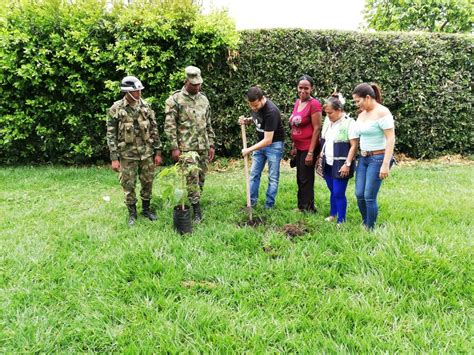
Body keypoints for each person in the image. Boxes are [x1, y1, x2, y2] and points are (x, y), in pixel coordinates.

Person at [106, 76, 162, 226]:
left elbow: (154, 129)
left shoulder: (146, 107)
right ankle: (132, 213)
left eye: (139, 90)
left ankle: (146, 209)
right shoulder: (116, 109)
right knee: (128, 184)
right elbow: (111, 134)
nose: (139, 93)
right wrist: (114, 157)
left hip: (146, 153)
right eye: (136, 90)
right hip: (126, 154)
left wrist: (157, 152)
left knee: (147, 182)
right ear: (127, 92)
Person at [164, 66, 215, 222]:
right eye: (194, 84)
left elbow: (208, 123)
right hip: (186, 148)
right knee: (191, 177)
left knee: (201, 176)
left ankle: (196, 199)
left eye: (199, 84)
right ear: (186, 81)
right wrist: (174, 147)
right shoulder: (174, 100)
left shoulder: (204, 99)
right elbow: (170, 126)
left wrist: (211, 144)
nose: (197, 87)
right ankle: (196, 209)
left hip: (203, 146)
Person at [352, 83, 395, 229]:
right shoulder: (361, 114)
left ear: (368, 97)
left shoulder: (383, 112)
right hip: (363, 158)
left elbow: (390, 139)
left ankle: (370, 228)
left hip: (378, 158)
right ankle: (366, 222)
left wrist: (385, 164)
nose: (357, 104)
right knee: (359, 194)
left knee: (369, 196)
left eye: (358, 101)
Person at [239, 86, 285, 209]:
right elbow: (258, 119)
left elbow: (268, 140)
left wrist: (249, 149)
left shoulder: (271, 111)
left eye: (256, 106)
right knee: (254, 174)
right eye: (251, 106)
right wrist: (248, 120)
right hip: (261, 143)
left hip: (274, 145)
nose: (253, 108)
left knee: (273, 177)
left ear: (262, 98)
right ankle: (251, 203)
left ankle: (269, 207)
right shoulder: (255, 105)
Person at [320, 93, 358, 224]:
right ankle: (333, 214)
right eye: (326, 113)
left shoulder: (349, 123)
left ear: (339, 110)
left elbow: (354, 146)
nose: (327, 116)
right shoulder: (329, 121)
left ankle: (341, 220)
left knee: (338, 192)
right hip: (328, 162)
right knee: (332, 190)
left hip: (341, 163)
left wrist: (347, 164)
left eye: (330, 113)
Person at [289, 75, 322, 212]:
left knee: (306, 178)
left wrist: (310, 152)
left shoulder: (314, 104)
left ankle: (308, 208)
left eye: (306, 88)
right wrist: (294, 146)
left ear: (311, 88)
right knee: (300, 177)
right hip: (299, 146)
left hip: (309, 146)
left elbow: (317, 128)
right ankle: (301, 205)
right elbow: (295, 126)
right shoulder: (297, 102)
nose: (303, 91)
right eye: (300, 87)